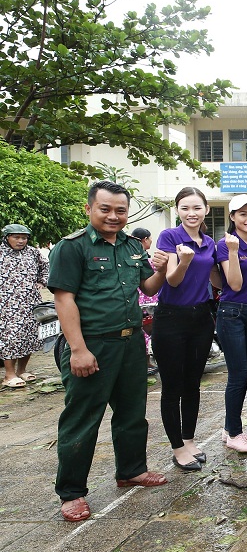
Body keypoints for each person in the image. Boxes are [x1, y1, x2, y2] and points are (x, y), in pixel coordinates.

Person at [48, 180, 170, 522]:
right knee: (82, 420)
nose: (113, 216)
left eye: (120, 210)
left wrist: (160, 268)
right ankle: (71, 492)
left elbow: (148, 286)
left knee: (133, 412)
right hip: (92, 344)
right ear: (89, 209)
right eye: (105, 209)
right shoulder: (71, 248)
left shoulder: (132, 246)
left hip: (131, 342)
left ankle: (131, 469)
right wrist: (78, 349)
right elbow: (63, 298)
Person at [153, 187, 218, 471]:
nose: (191, 213)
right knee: (173, 385)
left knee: (193, 382)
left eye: (197, 208)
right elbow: (173, 281)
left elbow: (219, 279)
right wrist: (185, 260)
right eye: (185, 208)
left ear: (206, 210)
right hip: (171, 318)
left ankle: (189, 439)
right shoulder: (170, 237)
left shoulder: (210, 242)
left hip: (202, 317)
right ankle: (177, 447)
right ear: (177, 210)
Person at [215, 195, 247, 453]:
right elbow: (234, 283)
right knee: (238, 374)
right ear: (232, 216)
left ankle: (228, 428)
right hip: (232, 313)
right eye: (243, 214)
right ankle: (234, 432)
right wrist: (233, 252)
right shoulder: (225, 244)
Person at [1, 223, 48, 388]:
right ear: (7, 238)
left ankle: (22, 370)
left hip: (30, 301)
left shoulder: (33, 253)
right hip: (6, 305)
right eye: (17, 237)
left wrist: (42, 282)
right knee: (11, 337)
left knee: (29, 336)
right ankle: (9, 374)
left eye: (24, 238)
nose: (21, 241)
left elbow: (45, 268)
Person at [131, 227, 158, 374]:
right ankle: (146, 361)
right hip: (147, 298)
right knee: (147, 330)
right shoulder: (144, 258)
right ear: (145, 239)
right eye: (150, 238)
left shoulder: (132, 254)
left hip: (138, 297)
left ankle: (146, 361)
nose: (151, 241)